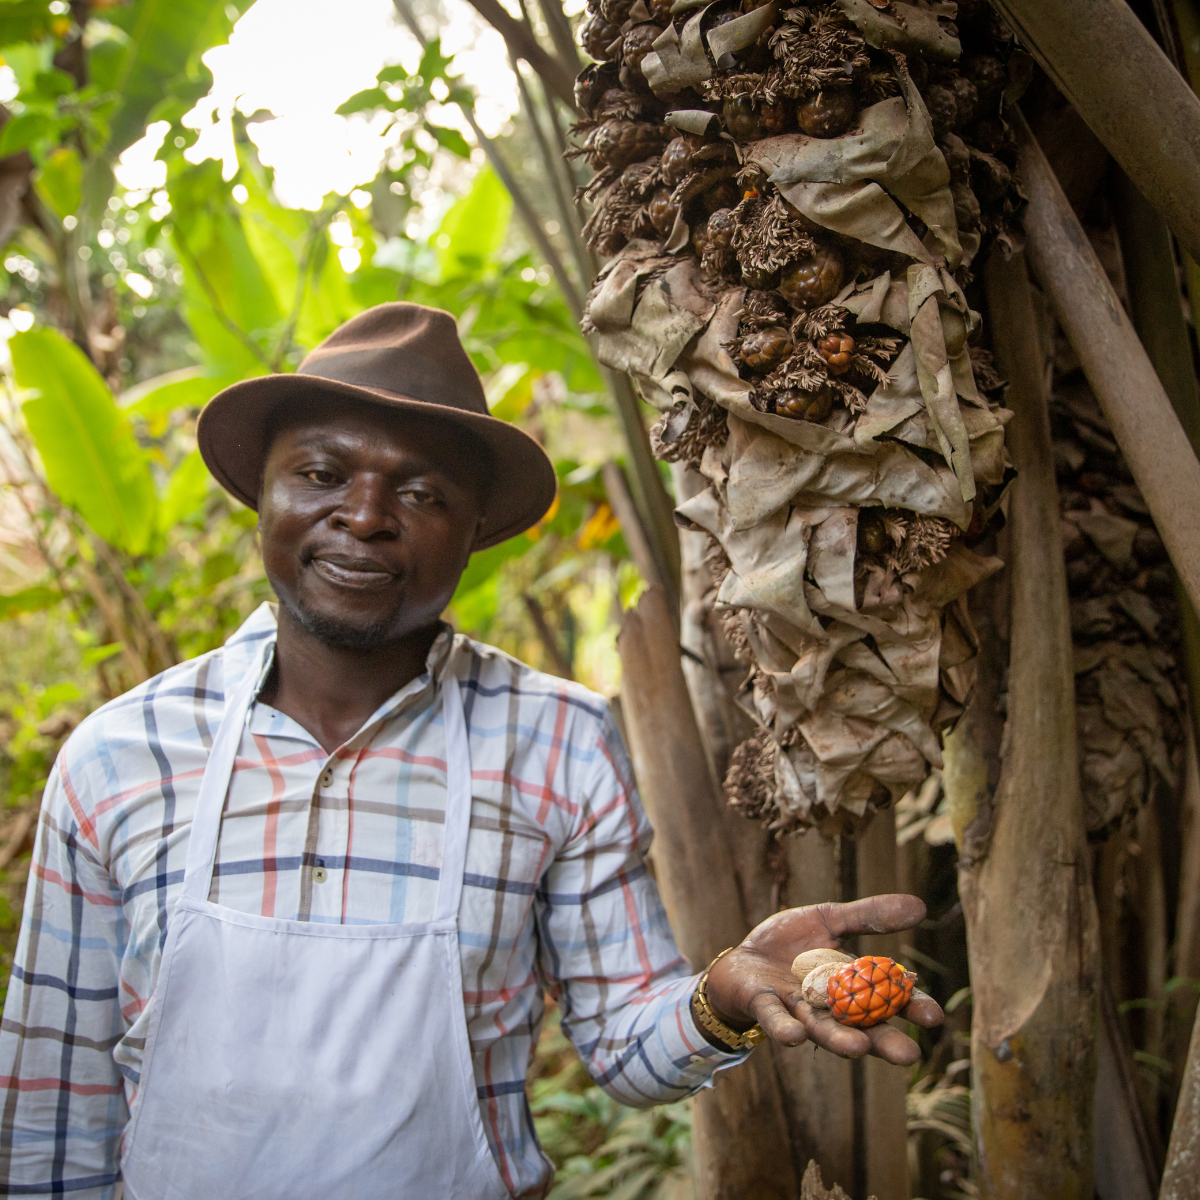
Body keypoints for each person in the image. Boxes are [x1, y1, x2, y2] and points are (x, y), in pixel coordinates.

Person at [0, 303, 942, 1198]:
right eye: (323, 474)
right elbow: (54, 1098)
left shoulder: (557, 742)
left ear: (474, 532)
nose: (365, 516)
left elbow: (621, 1043)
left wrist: (722, 996)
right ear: (264, 492)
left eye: (421, 492)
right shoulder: (120, 755)